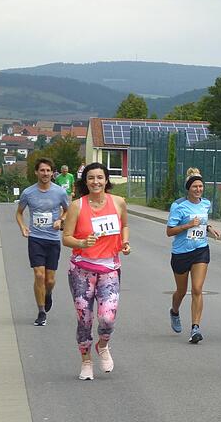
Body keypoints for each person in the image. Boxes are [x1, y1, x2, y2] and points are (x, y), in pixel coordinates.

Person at [62, 162, 131, 380]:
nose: (95, 182)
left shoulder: (119, 202)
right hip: (82, 270)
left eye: (100, 177)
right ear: (85, 181)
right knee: (85, 319)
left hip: (109, 268)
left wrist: (126, 243)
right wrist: (82, 243)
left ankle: (103, 344)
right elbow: (66, 238)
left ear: (106, 180)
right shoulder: (77, 206)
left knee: (107, 318)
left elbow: (125, 226)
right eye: (91, 178)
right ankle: (86, 361)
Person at [166, 168, 221, 344]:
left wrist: (209, 228)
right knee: (181, 291)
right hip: (181, 253)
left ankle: (195, 328)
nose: (198, 189)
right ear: (188, 188)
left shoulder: (206, 204)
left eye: (201, 186)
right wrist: (188, 225)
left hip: (200, 250)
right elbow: (169, 231)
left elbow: (203, 222)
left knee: (197, 289)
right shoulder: (178, 206)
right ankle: (174, 311)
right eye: (195, 186)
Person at [15, 157, 70, 326]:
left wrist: (60, 219)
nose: (45, 173)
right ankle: (41, 312)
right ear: (36, 172)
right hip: (36, 239)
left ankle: (47, 294)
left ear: (53, 173)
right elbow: (19, 213)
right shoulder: (28, 193)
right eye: (42, 170)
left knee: (50, 280)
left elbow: (68, 211)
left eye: (48, 171)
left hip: (53, 240)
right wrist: (23, 226)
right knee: (39, 274)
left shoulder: (60, 192)